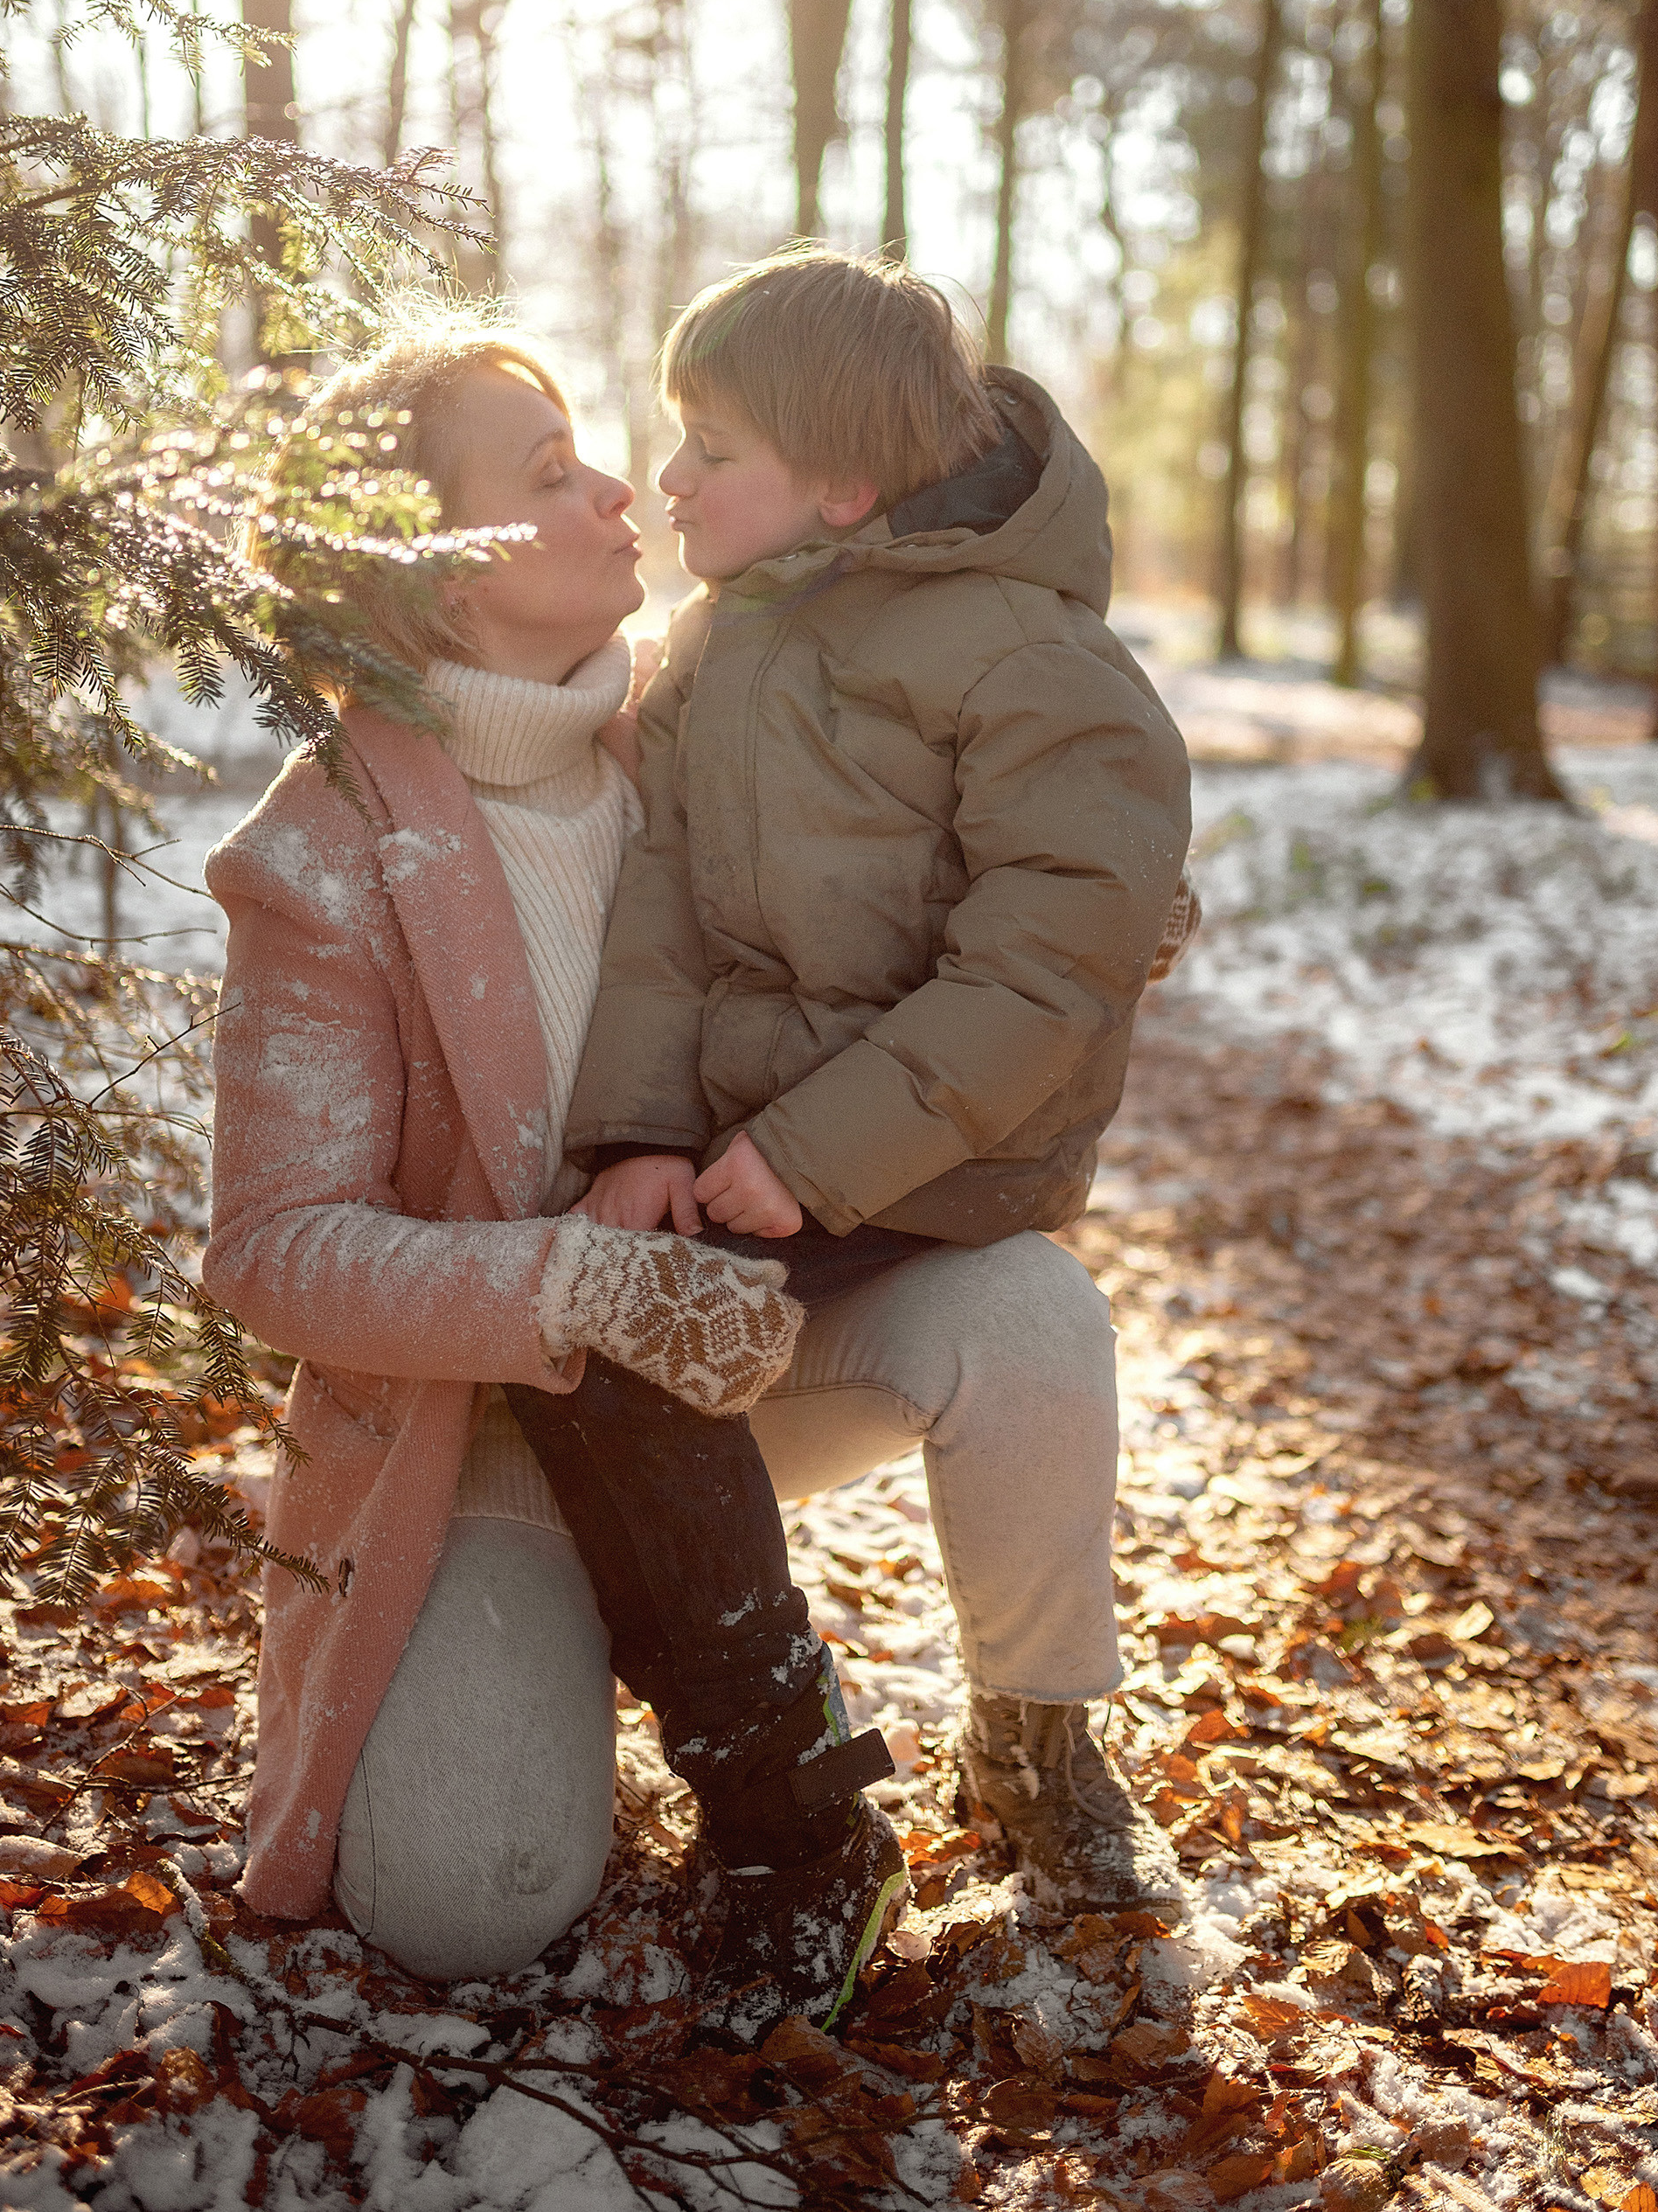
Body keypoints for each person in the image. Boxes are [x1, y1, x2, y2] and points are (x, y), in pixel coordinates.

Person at [202, 314, 1154, 2024]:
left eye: (601, 450)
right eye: (547, 474)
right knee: (460, 1895)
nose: (617, 491)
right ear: (435, 572)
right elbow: (274, 1250)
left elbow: (967, 888)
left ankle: (1015, 1744)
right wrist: (567, 1283)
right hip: (494, 1420)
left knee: (1029, 1315)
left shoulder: (711, 724)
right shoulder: (327, 848)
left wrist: (1116, 904)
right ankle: (706, 1663)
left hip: (745, 1345)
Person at [565, 248, 1195, 1979]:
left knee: (1038, 1329)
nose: (670, 476)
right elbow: (665, 913)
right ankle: (771, 1762)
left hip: (902, 1196)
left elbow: (1042, 969)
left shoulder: (1036, 668)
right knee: (604, 1367)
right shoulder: (716, 640)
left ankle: (1040, 1737)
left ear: (842, 485)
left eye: (712, 445)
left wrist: (813, 1148)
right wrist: (632, 1132)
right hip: (736, 1208)